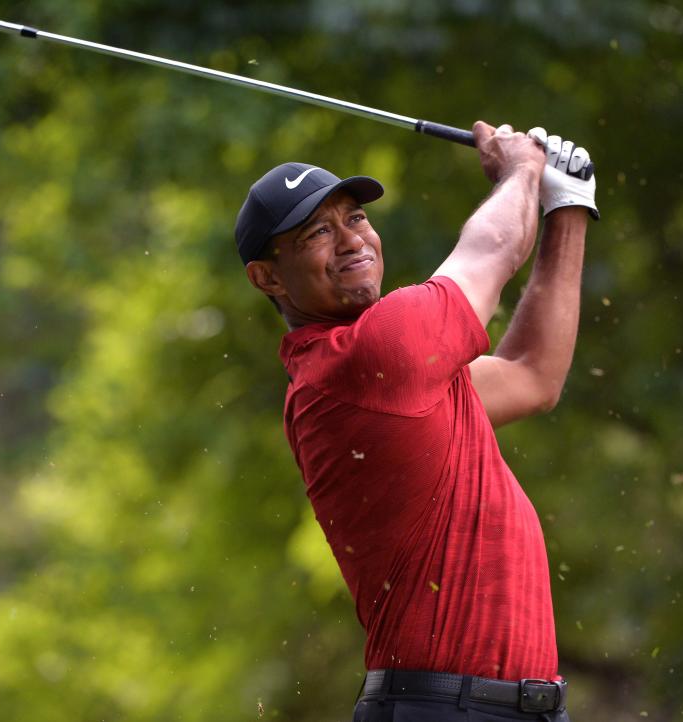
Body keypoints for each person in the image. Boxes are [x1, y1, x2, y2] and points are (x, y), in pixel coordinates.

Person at [235, 120, 597, 722]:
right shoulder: (368, 358)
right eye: (317, 233)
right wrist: (523, 168)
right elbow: (493, 249)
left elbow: (533, 375)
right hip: (444, 708)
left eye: (355, 218)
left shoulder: (396, 377)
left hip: (505, 708)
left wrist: (569, 207)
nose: (351, 240)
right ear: (267, 277)